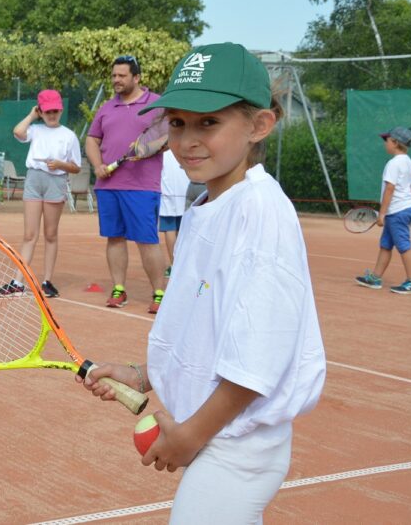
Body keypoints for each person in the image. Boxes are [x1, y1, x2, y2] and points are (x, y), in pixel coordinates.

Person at [78, 42, 326, 523]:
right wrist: (143, 374)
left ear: (259, 126)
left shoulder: (260, 212)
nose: (188, 140)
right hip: (219, 431)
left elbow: (257, 360)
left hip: (238, 442)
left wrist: (191, 435)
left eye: (208, 122)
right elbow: (199, 327)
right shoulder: (205, 208)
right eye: (177, 123)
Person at [85, 54, 168, 313]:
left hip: (142, 186)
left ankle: (159, 293)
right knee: (114, 238)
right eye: (114, 75)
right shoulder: (107, 107)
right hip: (108, 186)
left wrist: (150, 147)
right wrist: (97, 165)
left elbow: (170, 135)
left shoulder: (156, 104)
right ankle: (118, 289)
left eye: (122, 75)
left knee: (147, 240)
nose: (116, 80)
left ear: (137, 77)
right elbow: (92, 140)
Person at [0, 89, 82, 299]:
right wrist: (31, 115)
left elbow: (76, 167)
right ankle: (17, 282)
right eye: (47, 111)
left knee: (50, 234)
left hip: (56, 181)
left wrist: (60, 164)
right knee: (29, 235)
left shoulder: (69, 136)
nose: (51, 115)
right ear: (41, 111)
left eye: (55, 111)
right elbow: (18, 132)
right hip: (34, 180)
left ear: (61, 110)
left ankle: (47, 282)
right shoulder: (35, 129)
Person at [355, 126, 411, 294]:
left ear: (395, 142)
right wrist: (407, 202)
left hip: (396, 212)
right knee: (386, 245)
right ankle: (375, 278)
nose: (385, 143)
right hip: (403, 209)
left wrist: (382, 214)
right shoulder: (410, 163)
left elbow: (389, 189)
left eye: (387, 140)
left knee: (404, 246)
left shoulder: (393, 164)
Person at [159, 148, 191, 278]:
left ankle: (175, 266)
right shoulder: (185, 149)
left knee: (169, 229)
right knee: (183, 230)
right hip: (187, 192)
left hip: (168, 194)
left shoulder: (162, 152)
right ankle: (184, 265)